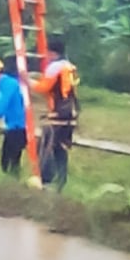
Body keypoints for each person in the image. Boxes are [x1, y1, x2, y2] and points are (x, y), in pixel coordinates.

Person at [28, 39, 80, 192]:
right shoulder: (69, 67)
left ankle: (45, 182)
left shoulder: (54, 67)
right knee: (60, 148)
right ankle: (61, 183)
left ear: (52, 52)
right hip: (71, 111)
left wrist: (28, 81)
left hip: (59, 113)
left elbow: (43, 88)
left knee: (45, 145)